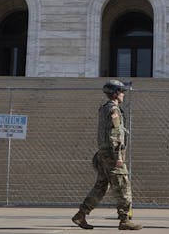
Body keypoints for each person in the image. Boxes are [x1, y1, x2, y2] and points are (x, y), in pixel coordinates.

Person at [72, 80, 142, 231]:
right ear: (116, 93)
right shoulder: (113, 109)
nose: (123, 94)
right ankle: (124, 220)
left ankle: (81, 214)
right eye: (122, 92)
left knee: (101, 186)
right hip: (112, 154)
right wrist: (118, 156)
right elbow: (115, 134)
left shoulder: (105, 108)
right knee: (123, 185)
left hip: (103, 153)